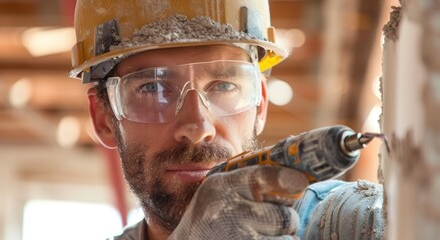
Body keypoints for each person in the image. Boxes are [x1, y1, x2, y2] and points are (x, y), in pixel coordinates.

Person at [69, 0, 384, 239]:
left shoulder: (336, 222)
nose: (198, 128)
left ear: (259, 105)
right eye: (152, 88)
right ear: (104, 119)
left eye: (223, 86)